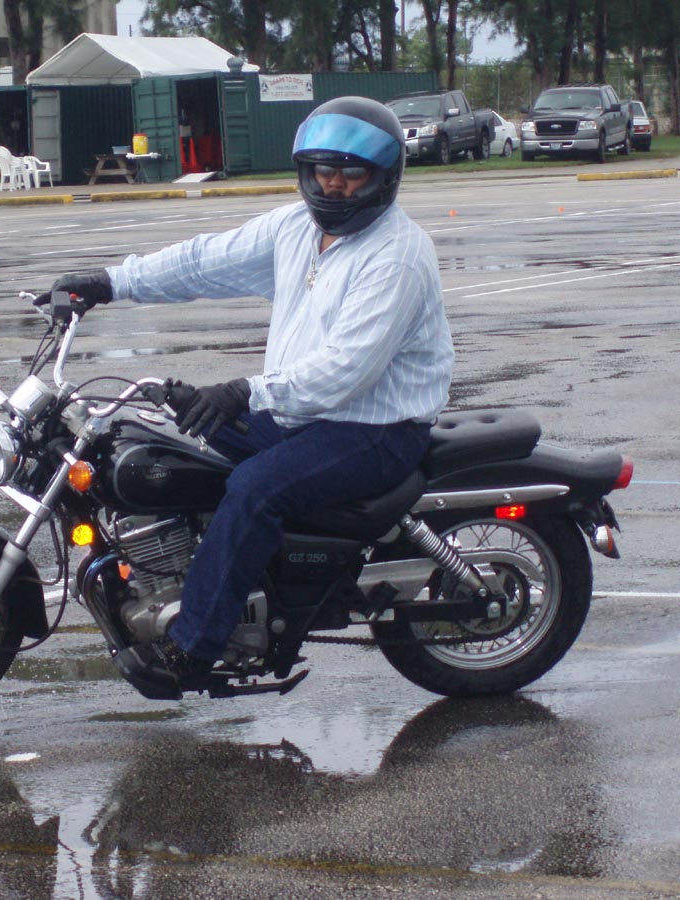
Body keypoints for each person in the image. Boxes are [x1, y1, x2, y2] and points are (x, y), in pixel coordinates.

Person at [54, 96, 455, 698]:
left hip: (374, 429)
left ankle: (193, 646)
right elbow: (202, 262)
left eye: (352, 174)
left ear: (383, 178)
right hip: (299, 413)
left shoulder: (396, 254)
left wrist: (246, 392)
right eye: (323, 171)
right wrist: (110, 282)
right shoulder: (296, 229)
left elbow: (345, 371)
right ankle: (199, 574)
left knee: (254, 489)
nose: (335, 185)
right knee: (168, 439)